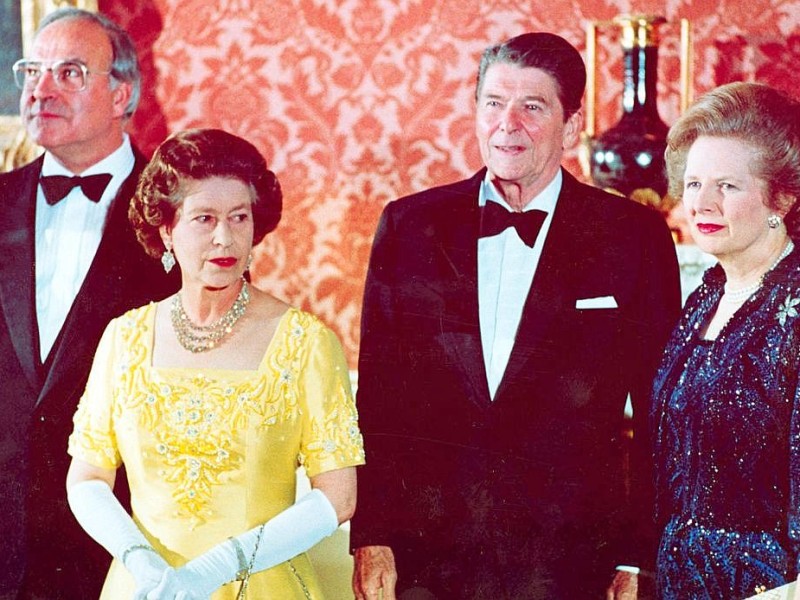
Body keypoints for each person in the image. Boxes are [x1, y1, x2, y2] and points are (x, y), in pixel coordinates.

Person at [350, 31, 682, 600]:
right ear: (476, 112)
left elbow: (661, 414)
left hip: (572, 561)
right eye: (494, 103)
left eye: (533, 106)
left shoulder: (633, 236)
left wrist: (639, 555)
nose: (509, 123)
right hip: (428, 558)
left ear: (571, 126)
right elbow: (378, 400)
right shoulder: (409, 227)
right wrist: (372, 536)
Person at [64, 127, 365, 600]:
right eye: (204, 219)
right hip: (147, 588)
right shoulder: (124, 338)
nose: (224, 238)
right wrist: (138, 559)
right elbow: (87, 477)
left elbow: (338, 496)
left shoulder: (305, 342)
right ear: (167, 230)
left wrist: (219, 568)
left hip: (261, 587)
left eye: (239, 217)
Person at [0, 8, 177, 599]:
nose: (40, 90)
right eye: (33, 71)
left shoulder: (183, 214)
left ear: (121, 92)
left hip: (119, 541)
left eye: (70, 72)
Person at [651, 82, 800, 599]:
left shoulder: (794, 310)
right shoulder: (706, 296)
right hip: (682, 581)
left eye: (728, 187)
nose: (702, 203)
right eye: (693, 184)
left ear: (782, 196)